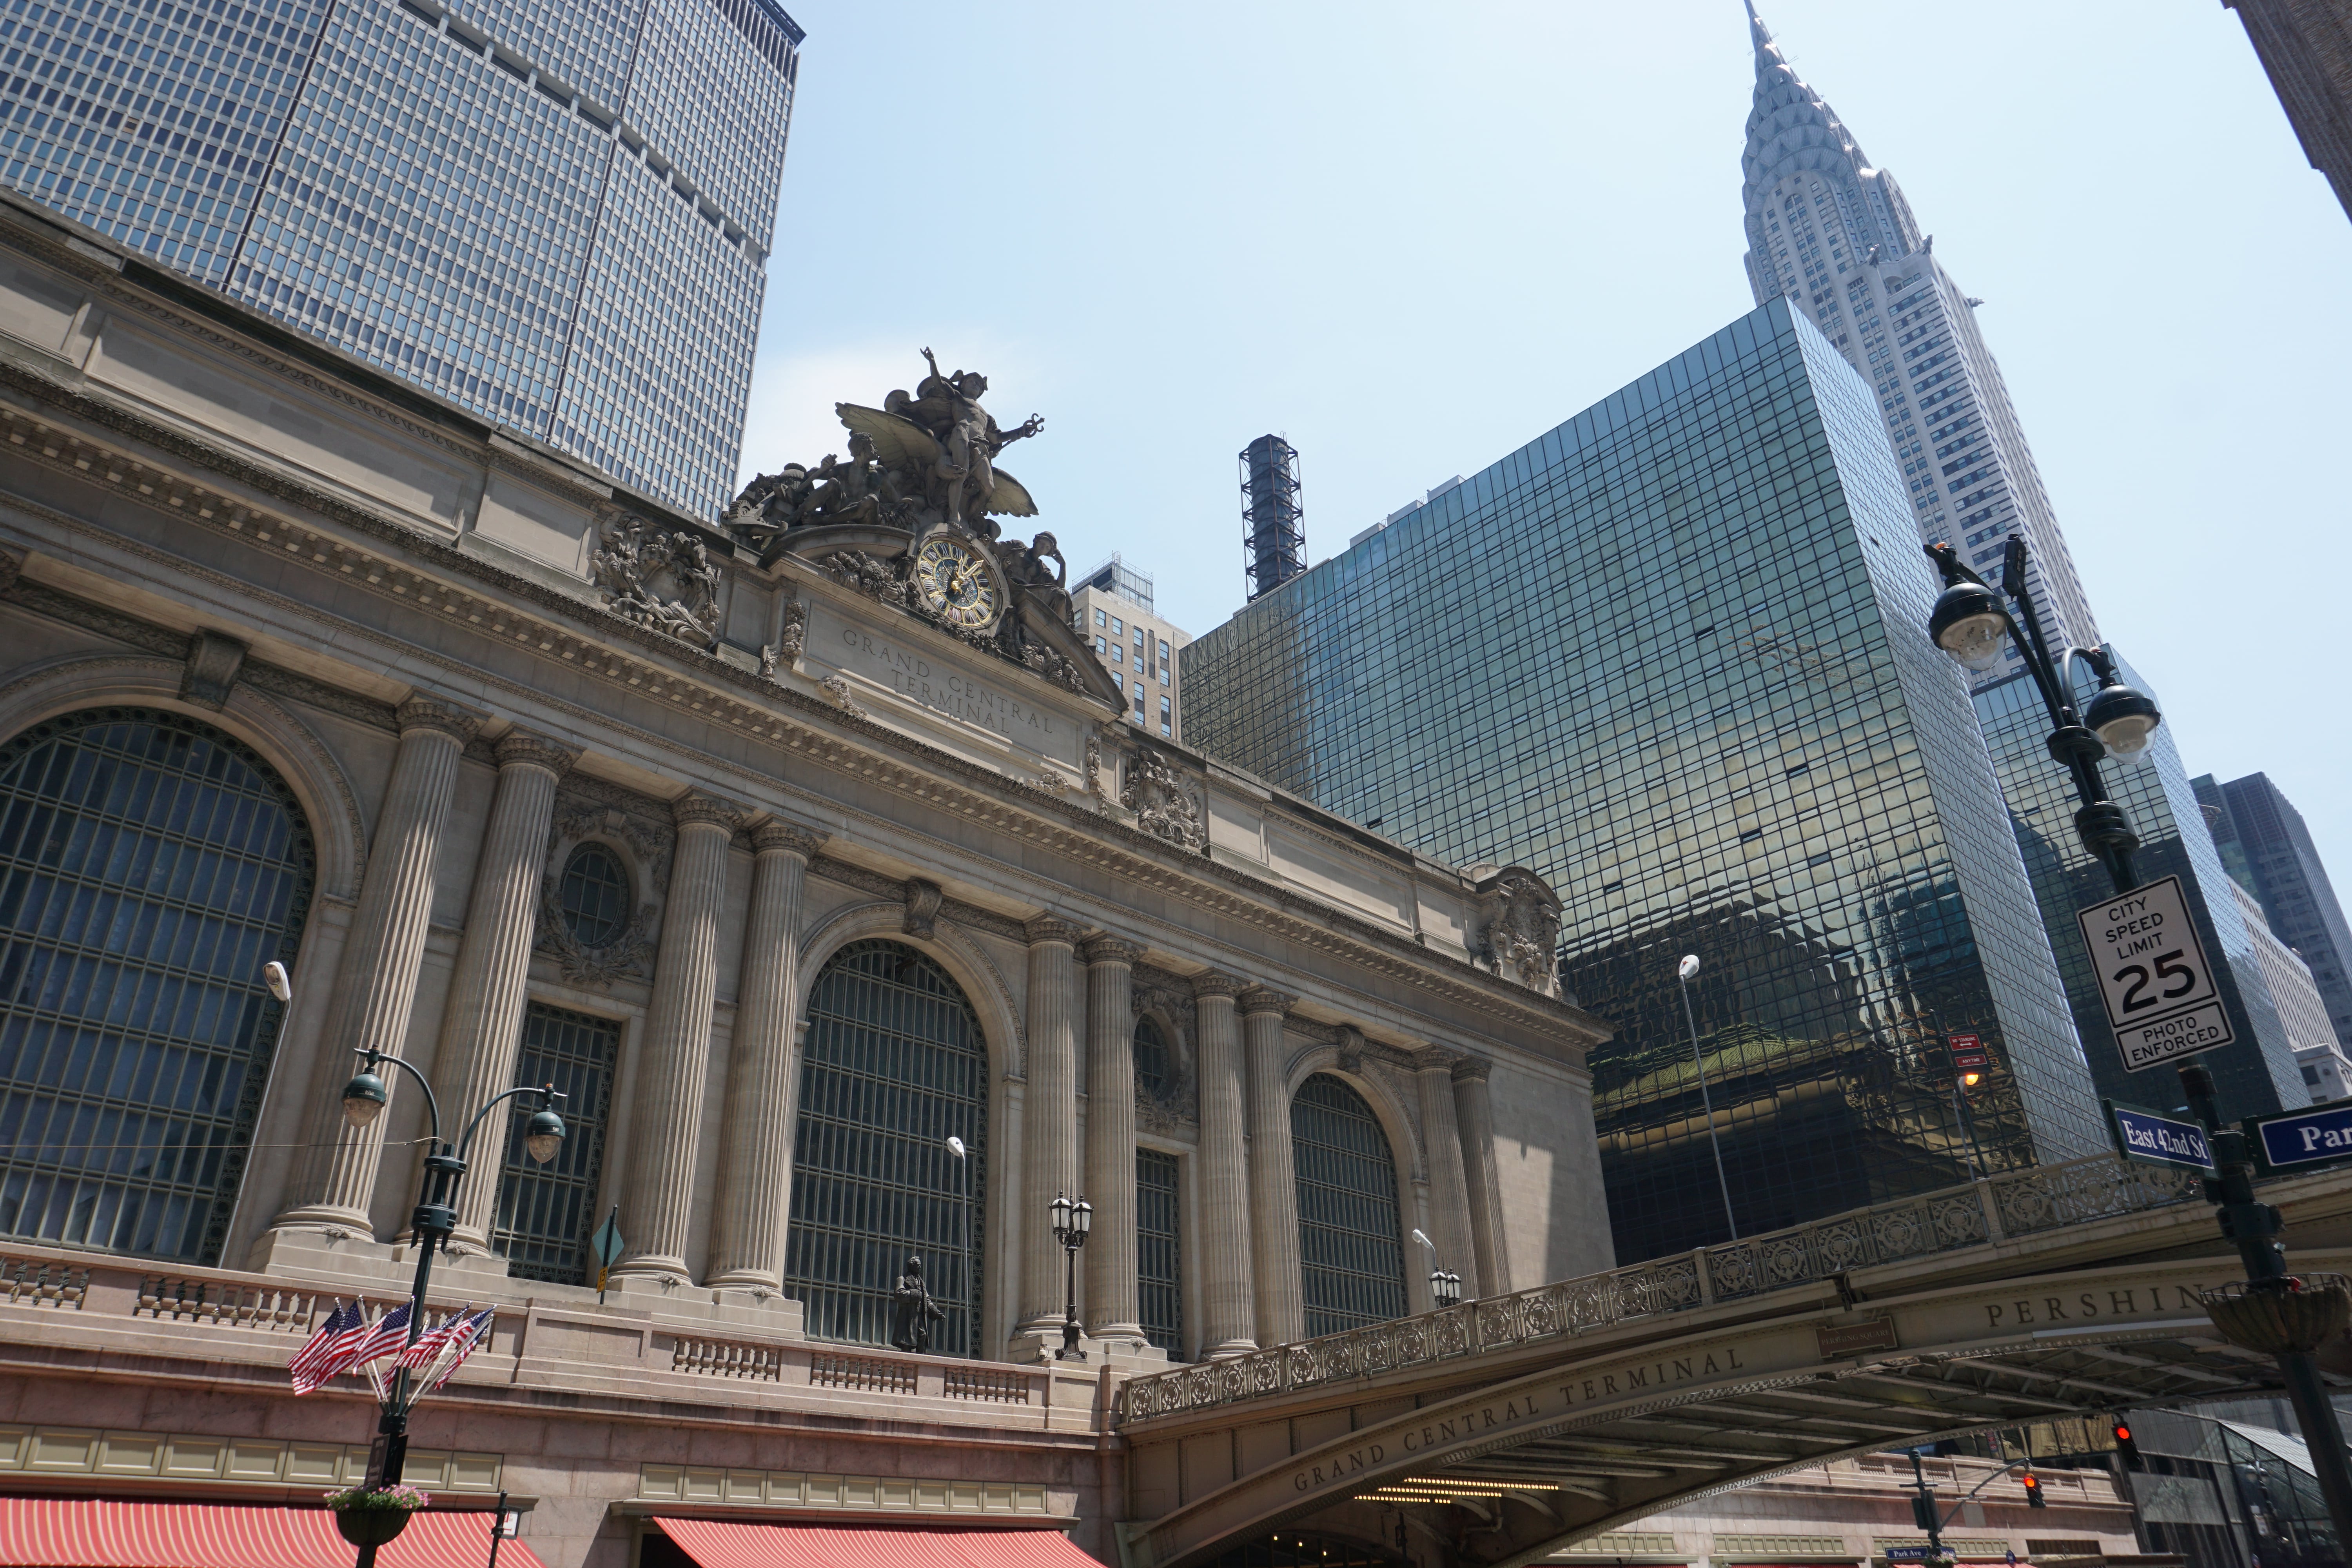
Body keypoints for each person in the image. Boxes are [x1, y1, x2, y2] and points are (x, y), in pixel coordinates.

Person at [889, 1254, 946, 1353]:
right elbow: (898, 1294)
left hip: (919, 1315)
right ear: (911, 1266)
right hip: (908, 1316)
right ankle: (907, 1362)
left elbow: (927, 1300)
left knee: (923, 1335)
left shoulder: (921, 1282)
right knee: (907, 1340)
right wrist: (914, 1294)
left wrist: (936, 1313)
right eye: (918, 1265)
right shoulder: (902, 1279)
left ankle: (920, 1360)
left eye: (920, 1265)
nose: (920, 1267)